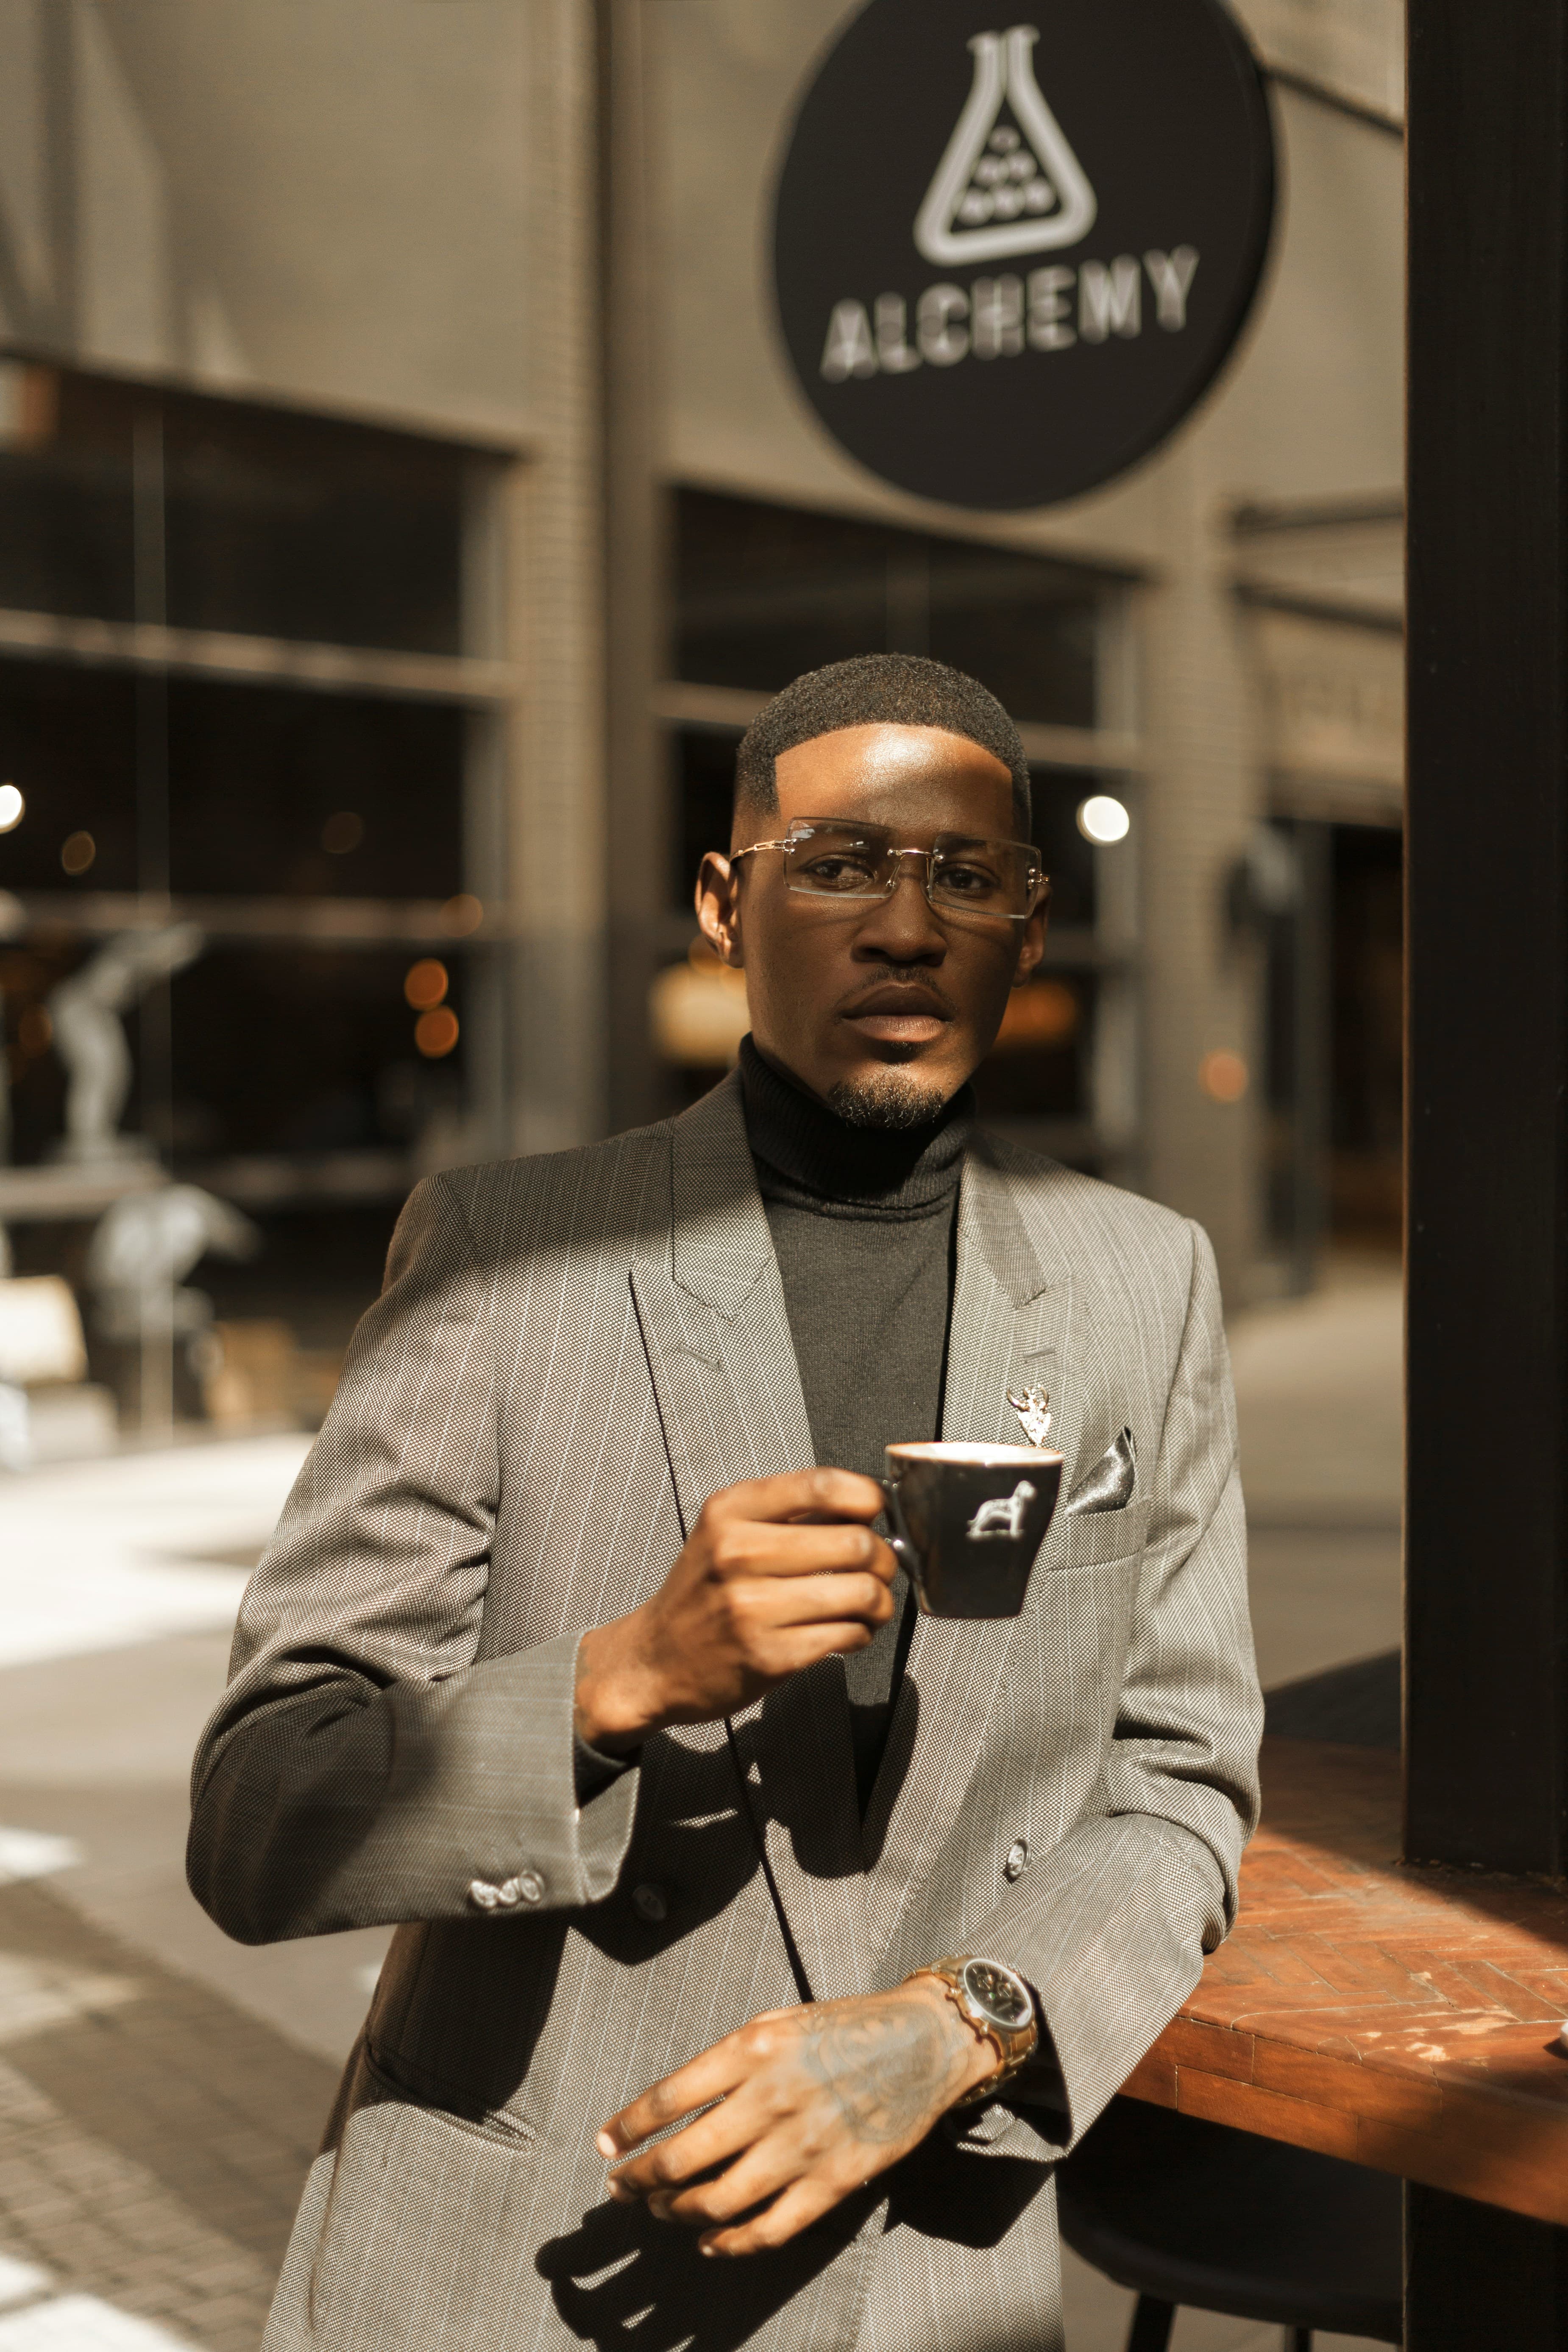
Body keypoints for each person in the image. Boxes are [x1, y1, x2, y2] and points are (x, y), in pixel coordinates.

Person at [189, 653, 1261, 2352]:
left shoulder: (1145, 1282)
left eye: (964, 875)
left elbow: (1182, 1776)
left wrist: (960, 2021)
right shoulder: (507, 1255)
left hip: (932, 2281)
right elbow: (261, 1814)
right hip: (517, 2265)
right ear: (722, 902)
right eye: (837, 861)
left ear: (1029, 923)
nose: (905, 925)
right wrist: (618, 1678)